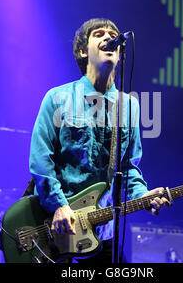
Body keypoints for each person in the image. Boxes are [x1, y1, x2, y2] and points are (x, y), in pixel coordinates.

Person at [29, 18, 170, 263]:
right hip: (57, 228)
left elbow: (127, 168)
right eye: (99, 34)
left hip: (102, 233)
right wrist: (58, 206)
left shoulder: (129, 105)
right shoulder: (58, 97)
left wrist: (143, 195)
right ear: (83, 51)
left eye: (112, 34)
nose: (108, 37)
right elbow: (41, 159)